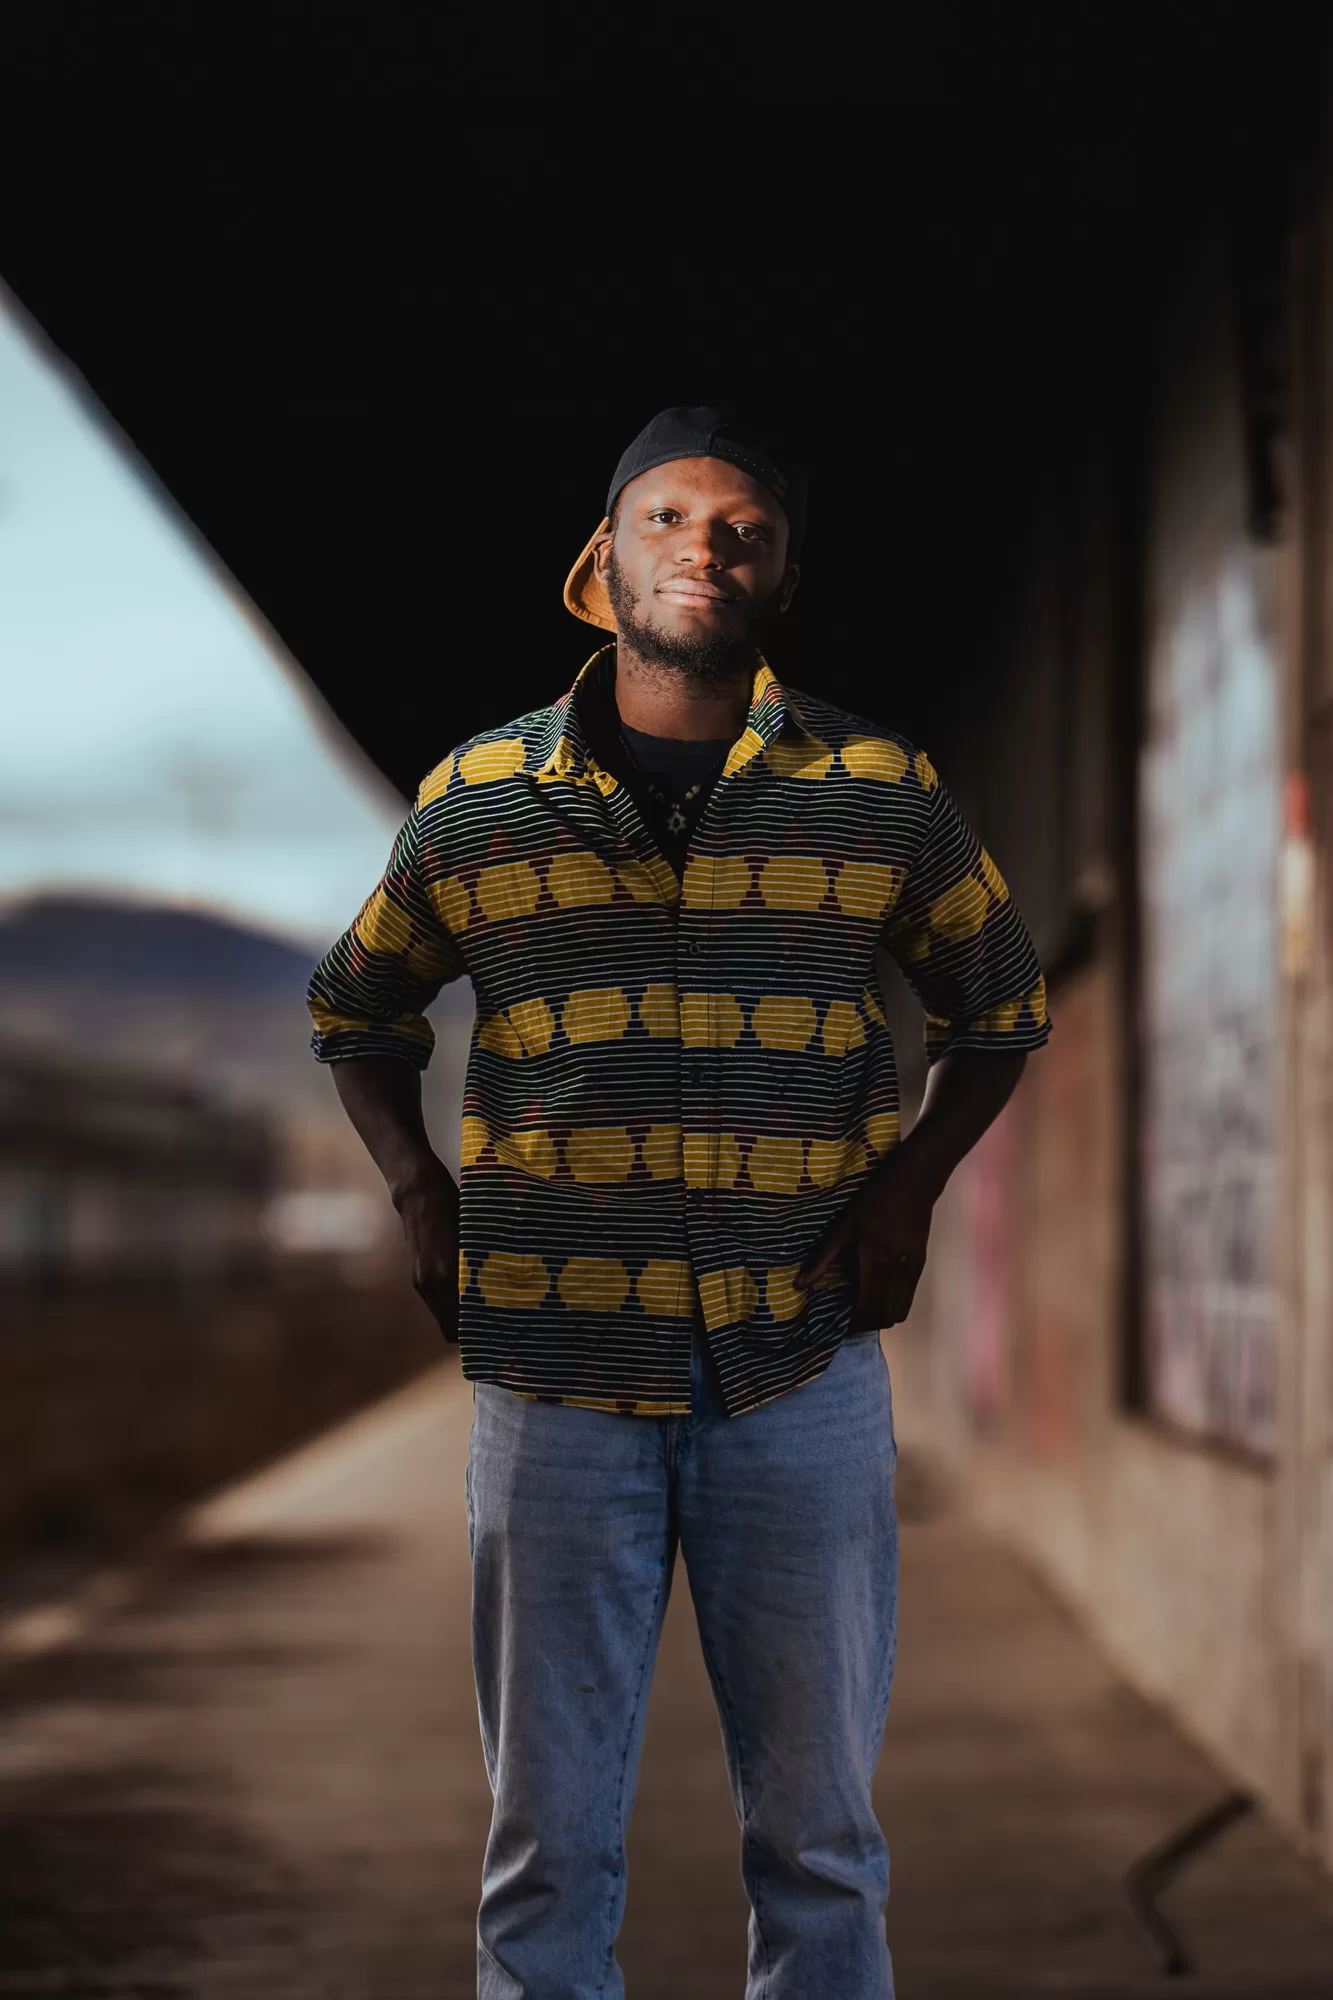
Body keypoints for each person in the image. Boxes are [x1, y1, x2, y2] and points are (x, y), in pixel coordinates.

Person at [307, 405, 1052, 1998]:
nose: (703, 549)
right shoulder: (479, 800)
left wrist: (911, 1186)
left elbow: (1003, 1006)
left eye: (742, 529)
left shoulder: (879, 791)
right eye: (667, 520)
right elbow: (356, 1009)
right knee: (547, 1848)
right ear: (604, 559)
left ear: (781, 573)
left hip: (802, 1370)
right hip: (556, 1380)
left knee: (822, 1843)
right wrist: (413, 1185)